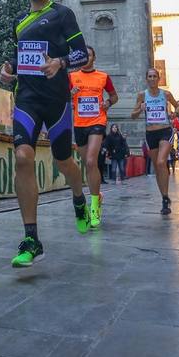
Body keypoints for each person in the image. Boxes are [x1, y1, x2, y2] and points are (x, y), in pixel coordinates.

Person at [0, 0, 90, 266]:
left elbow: (81, 54)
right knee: (23, 156)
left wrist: (60, 63)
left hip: (57, 100)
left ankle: (78, 197)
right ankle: (31, 238)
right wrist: (9, 68)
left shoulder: (62, 15)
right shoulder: (19, 21)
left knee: (63, 159)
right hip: (26, 98)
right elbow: (20, 54)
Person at [69, 47, 118, 227]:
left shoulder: (103, 76)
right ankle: (98, 194)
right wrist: (70, 95)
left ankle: (95, 206)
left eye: (89, 55)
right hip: (79, 124)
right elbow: (63, 98)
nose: (86, 58)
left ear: (94, 58)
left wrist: (107, 102)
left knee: (91, 162)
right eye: (84, 55)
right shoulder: (72, 77)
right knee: (87, 164)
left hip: (97, 121)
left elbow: (114, 96)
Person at [131, 68, 178, 215]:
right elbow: (133, 115)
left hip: (165, 131)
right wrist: (140, 110)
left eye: (154, 76)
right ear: (146, 79)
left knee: (160, 162)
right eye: (149, 76)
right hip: (150, 133)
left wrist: (173, 114)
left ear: (159, 78)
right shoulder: (142, 96)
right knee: (158, 168)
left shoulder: (166, 94)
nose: (152, 79)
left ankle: (165, 198)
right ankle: (164, 197)